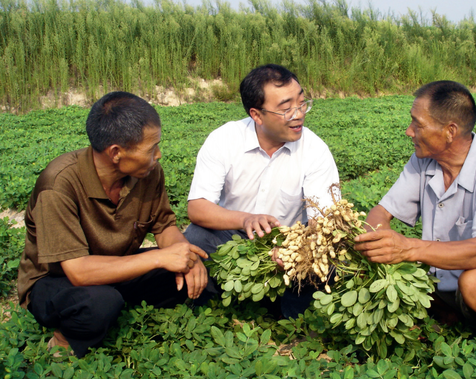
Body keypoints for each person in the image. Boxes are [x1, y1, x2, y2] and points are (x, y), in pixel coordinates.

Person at [17, 92, 211, 357]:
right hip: (57, 281)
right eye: (150, 148)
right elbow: (79, 272)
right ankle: (63, 340)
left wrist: (185, 256)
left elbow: (164, 226)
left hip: (120, 267)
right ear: (116, 153)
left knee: (199, 274)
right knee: (98, 303)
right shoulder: (59, 184)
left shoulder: (148, 172)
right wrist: (159, 258)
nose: (159, 154)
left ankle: (120, 306)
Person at [354, 81, 476, 328]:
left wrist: (407, 249)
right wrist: (372, 243)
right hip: (444, 285)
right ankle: (452, 319)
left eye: (417, 124)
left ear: (450, 131)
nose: (409, 131)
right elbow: (382, 211)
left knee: (475, 284)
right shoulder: (424, 161)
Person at [184, 64, 340, 318]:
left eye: (302, 103)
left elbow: (323, 223)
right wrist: (245, 219)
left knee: (332, 255)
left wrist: (295, 249)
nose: (298, 114)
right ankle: (209, 309)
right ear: (257, 115)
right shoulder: (224, 140)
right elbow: (197, 207)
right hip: (233, 238)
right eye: (286, 108)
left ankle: (290, 317)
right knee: (197, 238)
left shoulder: (314, 150)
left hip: (290, 244)